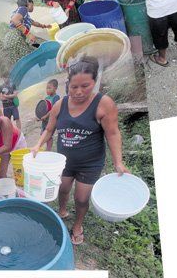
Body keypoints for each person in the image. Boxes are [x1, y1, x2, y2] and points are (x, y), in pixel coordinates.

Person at [30, 57, 130, 245]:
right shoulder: (61, 104)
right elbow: (49, 129)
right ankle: (62, 210)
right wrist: (38, 145)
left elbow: (113, 133)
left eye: (85, 86)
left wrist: (118, 161)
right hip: (64, 161)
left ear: (94, 82)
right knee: (63, 188)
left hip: (89, 163)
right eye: (73, 87)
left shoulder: (104, 104)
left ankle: (77, 225)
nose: (78, 92)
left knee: (81, 198)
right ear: (67, 84)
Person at [39, 79, 61, 144]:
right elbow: (43, 109)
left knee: (49, 135)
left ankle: (49, 149)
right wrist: (39, 117)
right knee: (43, 134)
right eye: (46, 88)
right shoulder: (46, 98)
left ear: (55, 88)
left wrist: (46, 116)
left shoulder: (56, 97)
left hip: (51, 120)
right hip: (44, 121)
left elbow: (54, 109)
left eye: (49, 88)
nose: (47, 90)